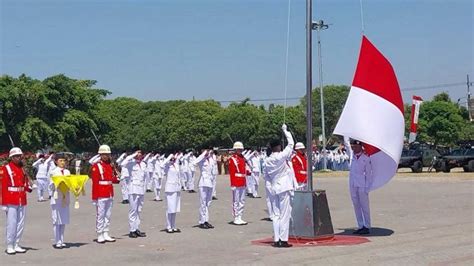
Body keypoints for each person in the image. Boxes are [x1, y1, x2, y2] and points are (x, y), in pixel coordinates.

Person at [263, 124, 295, 248]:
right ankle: (283, 239)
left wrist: (270, 186)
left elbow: (265, 176)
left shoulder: (266, 160)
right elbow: (291, 144)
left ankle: (276, 239)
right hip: (284, 187)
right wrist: (285, 130)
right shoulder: (281, 156)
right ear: (279, 146)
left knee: (276, 215)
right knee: (285, 214)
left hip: (274, 187)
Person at [1, 147, 32, 255]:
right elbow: (3, 187)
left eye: (19, 156)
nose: (18, 158)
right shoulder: (6, 168)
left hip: (21, 198)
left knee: (20, 223)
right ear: (11, 157)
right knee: (12, 223)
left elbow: (23, 183)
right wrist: (3, 203)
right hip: (11, 199)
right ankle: (10, 245)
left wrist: (29, 188)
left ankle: (17, 243)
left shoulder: (22, 168)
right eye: (16, 156)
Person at [90, 145, 120, 244]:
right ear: (100, 155)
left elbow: (113, 180)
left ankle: (106, 232)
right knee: (101, 215)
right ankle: (99, 233)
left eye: (108, 154)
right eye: (104, 154)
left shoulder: (110, 165)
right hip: (101, 193)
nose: (106, 156)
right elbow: (94, 183)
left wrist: (117, 175)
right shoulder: (97, 165)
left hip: (109, 192)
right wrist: (94, 198)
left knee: (108, 214)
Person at [120, 150, 147, 238]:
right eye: (137, 153)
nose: (139, 155)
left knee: (139, 210)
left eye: (140, 153)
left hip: (141, 189)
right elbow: (122, 163)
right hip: (133, 189)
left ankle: (136, 228)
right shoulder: (130, 163)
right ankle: (132, 230)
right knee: (133, 210)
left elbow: (144, 177)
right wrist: (133, 155)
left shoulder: (143, 164)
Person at [349, 139, 373, 235]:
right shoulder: (352, 157)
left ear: (360, 147)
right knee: (356, 205)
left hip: (362, 185)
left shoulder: (366, 158)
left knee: (364, 206)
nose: (354, 148)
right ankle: (360, 225)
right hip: (353, 184)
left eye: (356, 147)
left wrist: (367, 187)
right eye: (353, 147)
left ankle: (367, 225)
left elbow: (369, 174)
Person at [49, 153, 71, 249]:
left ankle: (62, 240)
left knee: (63, 219)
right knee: (56, 219)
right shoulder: (53, 172)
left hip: (65, 196)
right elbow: (50, 185)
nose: (62, 162)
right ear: (56, 161)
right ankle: (57, 240)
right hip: (57, 196)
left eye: (64, 161)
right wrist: (57, 184)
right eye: (60, 160)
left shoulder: (67, 172)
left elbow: (71, 183)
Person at [192, 149, 215, 229]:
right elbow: (194, 162)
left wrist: (210, 154)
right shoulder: (201, 160)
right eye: (206, 152)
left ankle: (206, 220)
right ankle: (202, 221)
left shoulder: (211, 159)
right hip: (203, 182)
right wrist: (204, 154)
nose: (208, 153)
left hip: (210, 182)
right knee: (203, 202)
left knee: (208, 203)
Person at [228, 142, 249, 225]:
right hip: (236, 182)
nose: (240, 150)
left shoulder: (243, 158)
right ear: (235, 149)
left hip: (243, 181)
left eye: (241, 149)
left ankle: (240, 216)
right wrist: (232, 183)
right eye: (239, 149)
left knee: (242, 200)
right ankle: (236, 217)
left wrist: (248, 172)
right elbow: (232, 172)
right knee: (236, 200)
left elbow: (243, 169)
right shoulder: (232, 159)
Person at [161, 154, 182, 233]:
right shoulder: (167, 166)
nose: (173, 158)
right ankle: (168, 226)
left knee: (175, 208)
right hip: (170, 189)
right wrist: (169, 157)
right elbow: (161, 164)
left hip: (176, 188)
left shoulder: (176, 165)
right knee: (170, 208)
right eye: (172, 157)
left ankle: (173, 225)